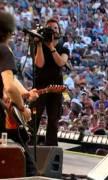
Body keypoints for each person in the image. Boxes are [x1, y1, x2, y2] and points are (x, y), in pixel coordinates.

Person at [0, 11, 38, 176]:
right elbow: (9, 86)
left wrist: (25, 92)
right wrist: (23, 109)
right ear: (8, 32)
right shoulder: (3, 50)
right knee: (28, 169)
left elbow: (11, 80)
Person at [30, 18, 69, 146]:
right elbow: (39, 64)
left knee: (53, 118)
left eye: (55, 28)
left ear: (59, 31)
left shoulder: (63, 48)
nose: (53, 30)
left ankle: (51, 145)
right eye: (50, 28)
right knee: (35, 116)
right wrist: (40, 44)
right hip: (40, 86)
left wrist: (51, 46)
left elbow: (61, 62)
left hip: (56, 87)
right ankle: (30, 143)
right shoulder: (37, 45)